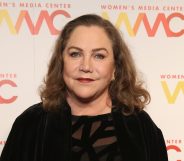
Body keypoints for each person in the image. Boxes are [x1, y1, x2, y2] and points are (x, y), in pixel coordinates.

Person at [0, 14, 168, 161]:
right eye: (75, 54)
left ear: (115, 68)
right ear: (61, 62)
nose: (86, 66)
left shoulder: (141, 127)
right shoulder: (31, 124)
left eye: (99, 56)